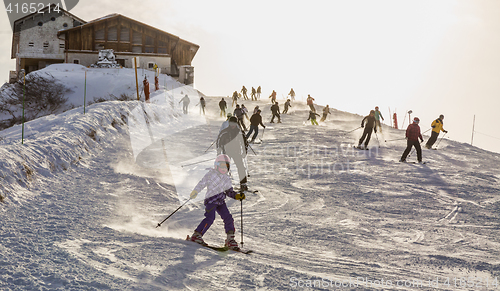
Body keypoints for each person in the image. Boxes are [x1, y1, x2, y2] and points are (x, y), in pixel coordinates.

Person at [188, 154, 246, 250]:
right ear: (216, 165)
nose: (224, 168)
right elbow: (201, 183)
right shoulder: (210, 174)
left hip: (220, 201)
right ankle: (197, 235)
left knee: (228, 218)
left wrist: (237, 196)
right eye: (222, 166)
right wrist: (195, 191)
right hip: (211, 200)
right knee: (210, 218)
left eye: (226, 166)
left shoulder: (226, 178)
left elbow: (229, 191)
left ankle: (230, 239)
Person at [217, 117, 249, 191]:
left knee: (241, 167)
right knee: (224, 168)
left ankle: (243, 184)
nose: (233, 125)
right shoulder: (225, 132)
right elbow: (219, 141)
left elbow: (245, 142)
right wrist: (219, 150)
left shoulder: (240, 132)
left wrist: (244, 152)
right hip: (227, 152)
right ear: (229, 123)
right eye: (231, 123)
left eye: (234, 123)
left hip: (236, 152)